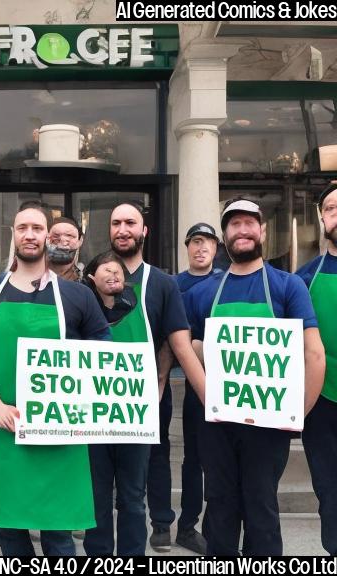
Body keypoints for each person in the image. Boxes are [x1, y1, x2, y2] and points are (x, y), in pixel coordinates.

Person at [0, 201, 110, 557]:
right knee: (10, 535)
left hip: (60, 435)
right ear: (13, 234)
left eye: (37, 228)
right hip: (3, 432)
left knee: (59, 537)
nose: (30, 234)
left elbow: (104, 357)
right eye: (22, 227)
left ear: (48, 237)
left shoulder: (77, 296)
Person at [186, 198, 325, 556]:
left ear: (262, 231)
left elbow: (313, 353)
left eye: (250, 223)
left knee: (261, 506)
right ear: (225, 235)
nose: (243, 230)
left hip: (269, 424)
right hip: (217, 423)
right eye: (235, 224)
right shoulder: (203, 293)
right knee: (218, 505)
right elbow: (192, 350)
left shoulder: (287, 286)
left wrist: (299, 413)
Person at [82, 202, 206, 557]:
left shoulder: (163, 283)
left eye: (130, 223)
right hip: (91, 407)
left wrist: (161, 381)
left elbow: (174, 340)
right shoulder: (88, 283)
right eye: (116, 222)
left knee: (135, 495)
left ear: (144, 231)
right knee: (97, 493)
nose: (123, 229)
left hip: (143, 401)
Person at [146, 222, 221, 554]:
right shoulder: (171, 284)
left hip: (217, 383)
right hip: (170, 379)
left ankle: (190, 526)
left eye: (207, 242)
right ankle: (161, 524)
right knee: (160, 452)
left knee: (201, 458)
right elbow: (165, 337)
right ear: (186, 247)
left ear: (216, 249)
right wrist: (161, 379)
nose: (201, 248)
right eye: (195, 242)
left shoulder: (224, 283)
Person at [296, 184, 337, 555]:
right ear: (322, 218)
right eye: (331, 208)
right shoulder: (304, 278)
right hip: (321, 400)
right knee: (329, 489)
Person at [83, 250, 134, 324]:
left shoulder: (133, 299)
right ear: (91, 276)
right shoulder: (82, 302)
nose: (113, 274)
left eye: (118, 271)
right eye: (108, 271)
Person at [48, 217, 85, 282]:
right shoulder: (32, 273)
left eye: (69, 235)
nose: (63, 241)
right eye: (55, 236)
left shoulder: (84, 278)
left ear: (80, 240)